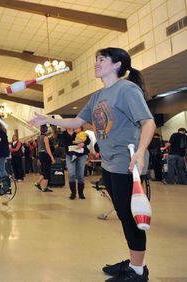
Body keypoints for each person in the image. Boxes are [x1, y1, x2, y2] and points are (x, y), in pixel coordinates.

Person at [29, 47, 156, 281]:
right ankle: (134, 262)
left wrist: (140, 152)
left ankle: (138, 271)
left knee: (130, 217)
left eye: (102, 59)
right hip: (109, 164)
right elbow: (78, 120)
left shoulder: (127, 89)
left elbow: (148, 123)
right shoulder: (98, 96)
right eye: (96, 59)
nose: (96, 63)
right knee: (122, 213)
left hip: (126, 163)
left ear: (117, 65)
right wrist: (47, 119)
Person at [61, 127, 91, 199]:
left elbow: (88, 140)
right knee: (71, 174)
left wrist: (83, 143)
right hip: (70, 155)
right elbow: (65, 144)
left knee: (80, 175)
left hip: (81, 155)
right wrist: (75, 143)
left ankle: (81, 193)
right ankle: (73, 193)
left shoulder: (78, 132)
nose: (70, 126)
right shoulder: (63, 134)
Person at [34, 125, 55, 193]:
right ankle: (44, 187)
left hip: (40, 155)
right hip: (46, 155)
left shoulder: (39, 137)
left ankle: (38, 183)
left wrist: (38, 158)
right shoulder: (45, 138)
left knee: (44, 170)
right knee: (47, 171)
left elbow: (38, 148)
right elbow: (48, 149)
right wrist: (52, 158)